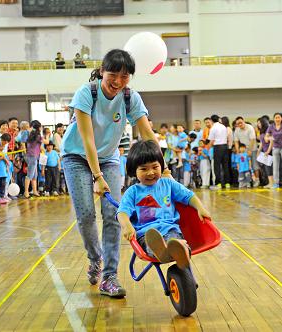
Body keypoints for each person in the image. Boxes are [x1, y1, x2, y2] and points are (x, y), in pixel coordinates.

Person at [60, 49, 161, 298]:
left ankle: (109, 276)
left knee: (114, 215)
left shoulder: (130, 97)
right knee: (85, 215)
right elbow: (87, 139)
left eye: (125, 77)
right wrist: (97, 176)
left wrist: (164, 168)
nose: (117, 82)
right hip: (76, 156)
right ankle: (95, 258)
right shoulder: (87, 93)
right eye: (113, 75)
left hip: (109, 158)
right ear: (102, 71)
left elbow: (147, 134)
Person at [117, 140, 211, 269]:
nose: (150, 172)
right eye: (144, 169)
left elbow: (188, 196)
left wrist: (200, 208)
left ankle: (175, 252)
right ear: (134, 170)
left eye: (155, 167)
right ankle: (163, 252)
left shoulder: (168, 184)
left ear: (161, 166)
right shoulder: (132, 192)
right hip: (146, 233)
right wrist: (127, 226)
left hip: (170, 228)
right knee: (152, 244)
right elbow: (122, 212)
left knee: (176, 242)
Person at [233, 117, 259, 186]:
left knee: (254, 166)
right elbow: (236, 141)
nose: (240, 124)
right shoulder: (237, 130)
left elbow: (252, 140)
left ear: (243, 121)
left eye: (241, 122)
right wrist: (238, 151)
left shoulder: (249, 127)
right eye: (238, 123)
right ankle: (245, 181)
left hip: (252, 149)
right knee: (244, 166)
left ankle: (257, 180)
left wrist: (249, 150)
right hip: (243, 150)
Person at [208, 114, 230, 189]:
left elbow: (211, 140)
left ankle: (219, 183)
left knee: (217, 166)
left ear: (211, 120)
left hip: (217, 147)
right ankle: (227, 183)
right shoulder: (223, 126)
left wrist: (208, 147)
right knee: (225, 165)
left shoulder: (213, 128)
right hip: (225, 146)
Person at [24, 120, 43, 198]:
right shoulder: (38, 136)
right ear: (39, 127)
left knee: (34, 175)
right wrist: (47, 135)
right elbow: (46, 141)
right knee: (30, 174)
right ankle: (26, 192)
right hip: (32, 156)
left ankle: (35, 191)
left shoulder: (30, 134)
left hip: (31, 156)